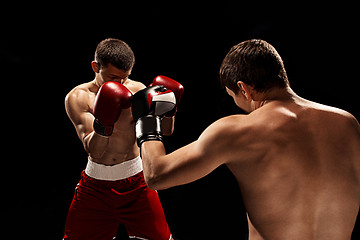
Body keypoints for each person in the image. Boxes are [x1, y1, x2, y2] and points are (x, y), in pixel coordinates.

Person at [132, 39, 360, 239]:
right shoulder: (347, 123)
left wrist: (147, 117)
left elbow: (156, 175)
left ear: (243, 89)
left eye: (233, 97)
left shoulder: (237, 130)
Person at [64, 38, 179, 240]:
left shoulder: (138, 90)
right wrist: (105, 120)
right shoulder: (78, 97)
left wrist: (170, 110)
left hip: (136, 185)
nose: (121, 84)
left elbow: (166, 132)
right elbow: (94, 150)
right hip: (95, 188)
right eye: (113, 78)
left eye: (125, 78)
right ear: (95, 67)